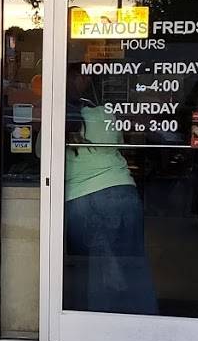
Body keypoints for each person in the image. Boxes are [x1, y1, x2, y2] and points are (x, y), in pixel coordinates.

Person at [63, 71, 158, 315]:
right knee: (133, 263)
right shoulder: (105, 114)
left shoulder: (56, 119)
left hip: (81, 198)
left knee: (92, 270)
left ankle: (99, 325)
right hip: (121, 193)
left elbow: (41, 154)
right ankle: (142, 321)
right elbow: (118, 141)